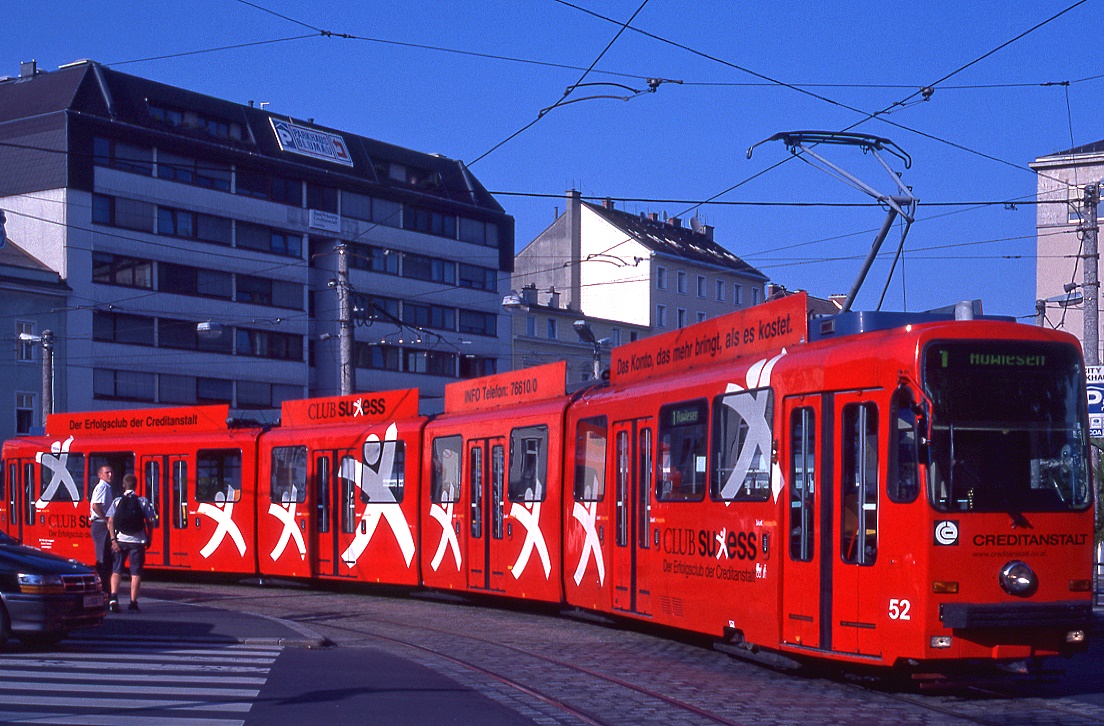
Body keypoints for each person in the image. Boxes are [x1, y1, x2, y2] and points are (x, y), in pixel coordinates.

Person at [106, 474, 157, 613]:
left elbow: (110, 521)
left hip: (120, 541)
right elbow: (151, 521)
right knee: (136, 572)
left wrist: (113, 540)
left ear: (123, 485)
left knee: (117, 570)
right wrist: (149, 538)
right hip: (137, 542)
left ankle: (113, 599)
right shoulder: (143, 501)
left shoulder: (117, 501)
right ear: (136, 485)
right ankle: (133, 602)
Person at [89, 465, 115, 594]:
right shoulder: (103, 487)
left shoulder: (106, 487)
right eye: (106, 473)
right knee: (103, 559)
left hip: (100, 525)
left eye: (111, 472)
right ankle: (102, 589)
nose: (110, 475)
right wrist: (106, 520)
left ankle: (104, 588)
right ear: (100, 475)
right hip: (100, 525)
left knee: (105, 558)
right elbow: (95, 506)